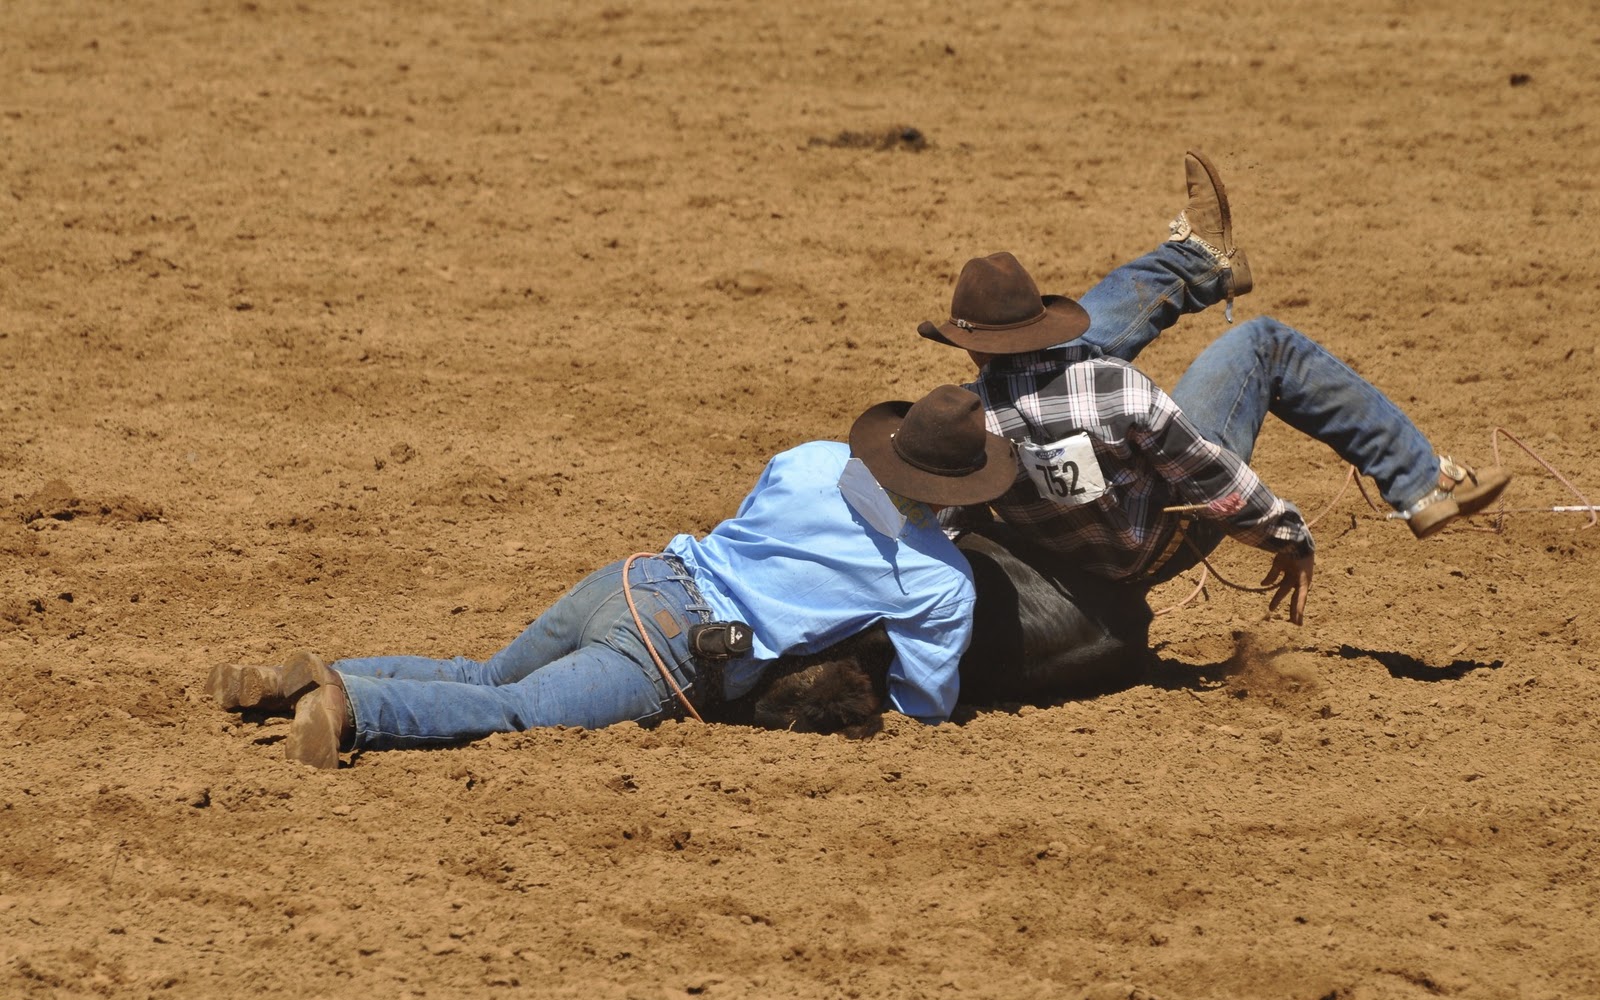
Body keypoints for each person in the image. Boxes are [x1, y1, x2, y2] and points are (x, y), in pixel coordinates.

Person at [205, 385, 1018, 767]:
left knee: (484, 672)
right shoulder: (941, 582)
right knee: (516, 714)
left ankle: (304, 675)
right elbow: (926, 704)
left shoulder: (813, 460)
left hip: (638, 577)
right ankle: (353, 704)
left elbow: (751, 523)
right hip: (674, 655)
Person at [918, 150, 1511, 643]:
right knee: (1263, 343)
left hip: (1072, 562)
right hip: (1166, 539)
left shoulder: (969, 423)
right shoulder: (1113, 387)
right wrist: (1289, 536)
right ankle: (1420, 482)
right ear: (1038, 322)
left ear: (970, 348)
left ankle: (1199, 259)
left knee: (1081, 349)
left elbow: (944, 519)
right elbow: (1211, 479)